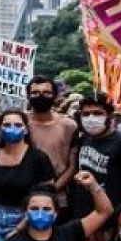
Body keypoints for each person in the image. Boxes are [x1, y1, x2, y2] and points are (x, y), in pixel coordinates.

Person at [0, 109, 55, 241]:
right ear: (0, 129)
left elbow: (47, 194)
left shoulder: (39, 158)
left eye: (17, 125)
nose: (12, 129)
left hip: (24, 219)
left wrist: (21, 227)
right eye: (7, 125)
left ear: (26, 129)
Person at [72, 94, 121, 228]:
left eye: (97, 113)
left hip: (111, 216)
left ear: (110, 116)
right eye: (86, 114)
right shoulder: (84, 139)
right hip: (83, 214)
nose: (91, 118)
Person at [26, 76, 79, 221]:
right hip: (23, 193)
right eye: (35, 92)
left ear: (55, 96)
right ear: (28, 96)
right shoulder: (21, 123)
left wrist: (52, 190)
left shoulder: (69, 125)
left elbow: (72, 166)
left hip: (58, 197)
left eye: (46, 92)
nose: (40, 96)